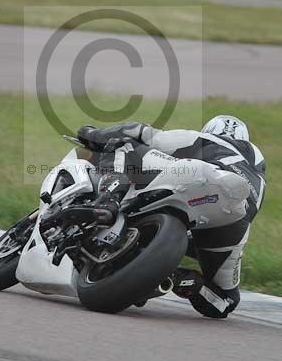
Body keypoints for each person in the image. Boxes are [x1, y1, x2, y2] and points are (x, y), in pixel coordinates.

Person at [76, 115, 266, 319]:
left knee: (125, 145)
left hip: (203, 176)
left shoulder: (205, 139)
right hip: (235, 218)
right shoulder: (259, 177)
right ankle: (180, 279)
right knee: (225, 300)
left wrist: (91, 134)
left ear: (210, 130)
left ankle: (108, 202)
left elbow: (139, 131)